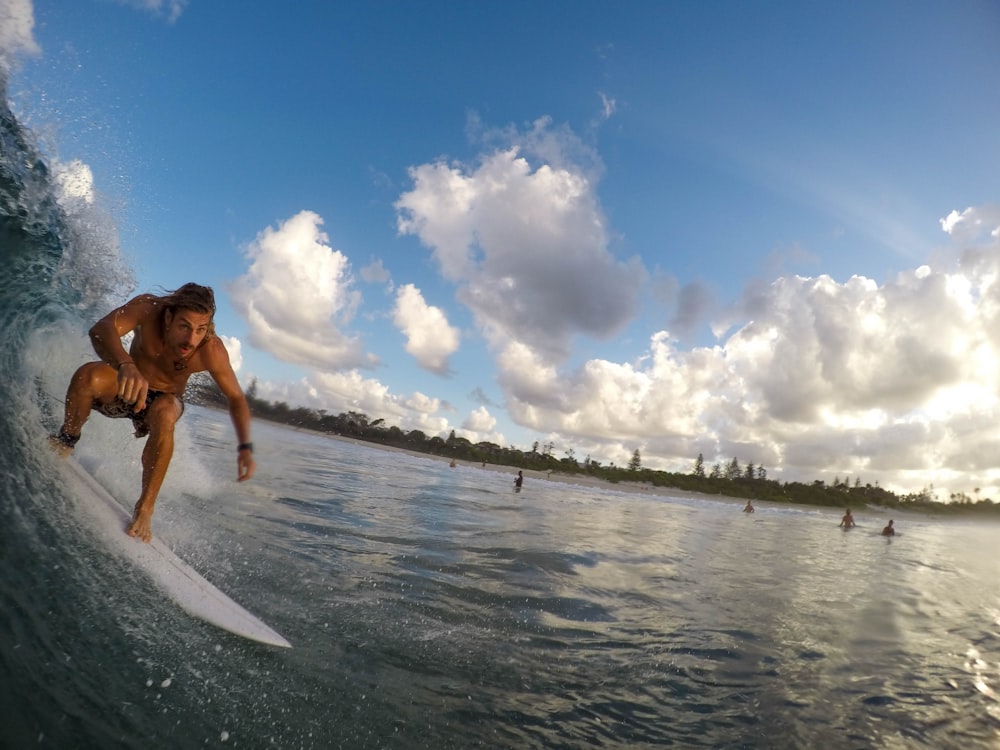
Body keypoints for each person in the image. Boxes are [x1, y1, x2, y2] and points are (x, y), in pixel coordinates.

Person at [50, 283, 255, 543]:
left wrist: (245, 446)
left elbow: (236, 397)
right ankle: (66, 440)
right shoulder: (148, 310)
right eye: (184, 326)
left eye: (200, 329)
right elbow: (101, 329)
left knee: (167, 412)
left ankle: (145, 508)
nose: (191, 339)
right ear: (169, 317)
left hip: (162, 402)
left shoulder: (210, 350)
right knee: (88, 375)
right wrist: (124, 363)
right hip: (125, 387)